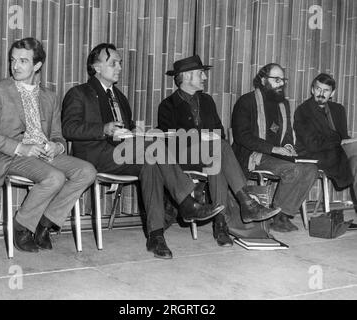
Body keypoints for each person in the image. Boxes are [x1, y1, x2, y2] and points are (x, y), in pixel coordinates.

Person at [61, 43, 224, 260]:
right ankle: (186, 202)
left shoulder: (120, 97)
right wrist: (103, 129)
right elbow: (69, 128)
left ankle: (155, 236)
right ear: (96, 67)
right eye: (113, 63)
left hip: (121, 153)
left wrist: (133, 132)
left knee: (152, 162)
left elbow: (125, 131)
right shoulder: (78, 93)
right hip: (94, 155)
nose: (119, 67)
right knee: (153, 147)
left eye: (120, 63)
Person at [0, 37, 97, 253]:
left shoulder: (49, 97)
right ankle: (21, 225)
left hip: (44, 154)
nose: (15, 66)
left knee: (87, 171)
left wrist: (57, 147)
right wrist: (21, 148)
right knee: (55, 177)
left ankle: (45, 223)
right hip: (11, 155)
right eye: (13, 60)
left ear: (37, 65)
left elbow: (58, 136)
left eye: (23, 61)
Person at [158, 55, 281, 247]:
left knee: (217, 157)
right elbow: (170, 140)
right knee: (219, 149)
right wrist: (201, 138)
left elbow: (220, 132)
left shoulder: (207, 101)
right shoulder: (167, 105)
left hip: (211, 154)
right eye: (201, 74)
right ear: (187, 76)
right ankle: (246, 204)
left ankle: (221, 223)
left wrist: (210, 140)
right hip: (183, 157)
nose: (205, 78)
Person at [231, 63, 318, 232]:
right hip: (251, 155)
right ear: (263, 80)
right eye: (276, 79)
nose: (281, 84)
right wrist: (274, 149)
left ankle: (282, 216)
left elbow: (287, 134)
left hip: (276, 156)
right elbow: (242, 136)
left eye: (283, 80)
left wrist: (287, 146)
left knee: (311, 169)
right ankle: (273, 215)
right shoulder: (246, 101)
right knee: (293, 170)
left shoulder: (283, 104)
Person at [294, 73, 357, 200]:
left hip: (337, 150)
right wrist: (340, 141)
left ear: (332, 93)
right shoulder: (303, 110)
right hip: (315, 153)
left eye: (326, 90)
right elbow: (312, 144)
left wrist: (350, 141)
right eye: (318, 89)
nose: (321, 93)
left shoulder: (338, 109)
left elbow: (343, 136)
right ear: (312, 90)